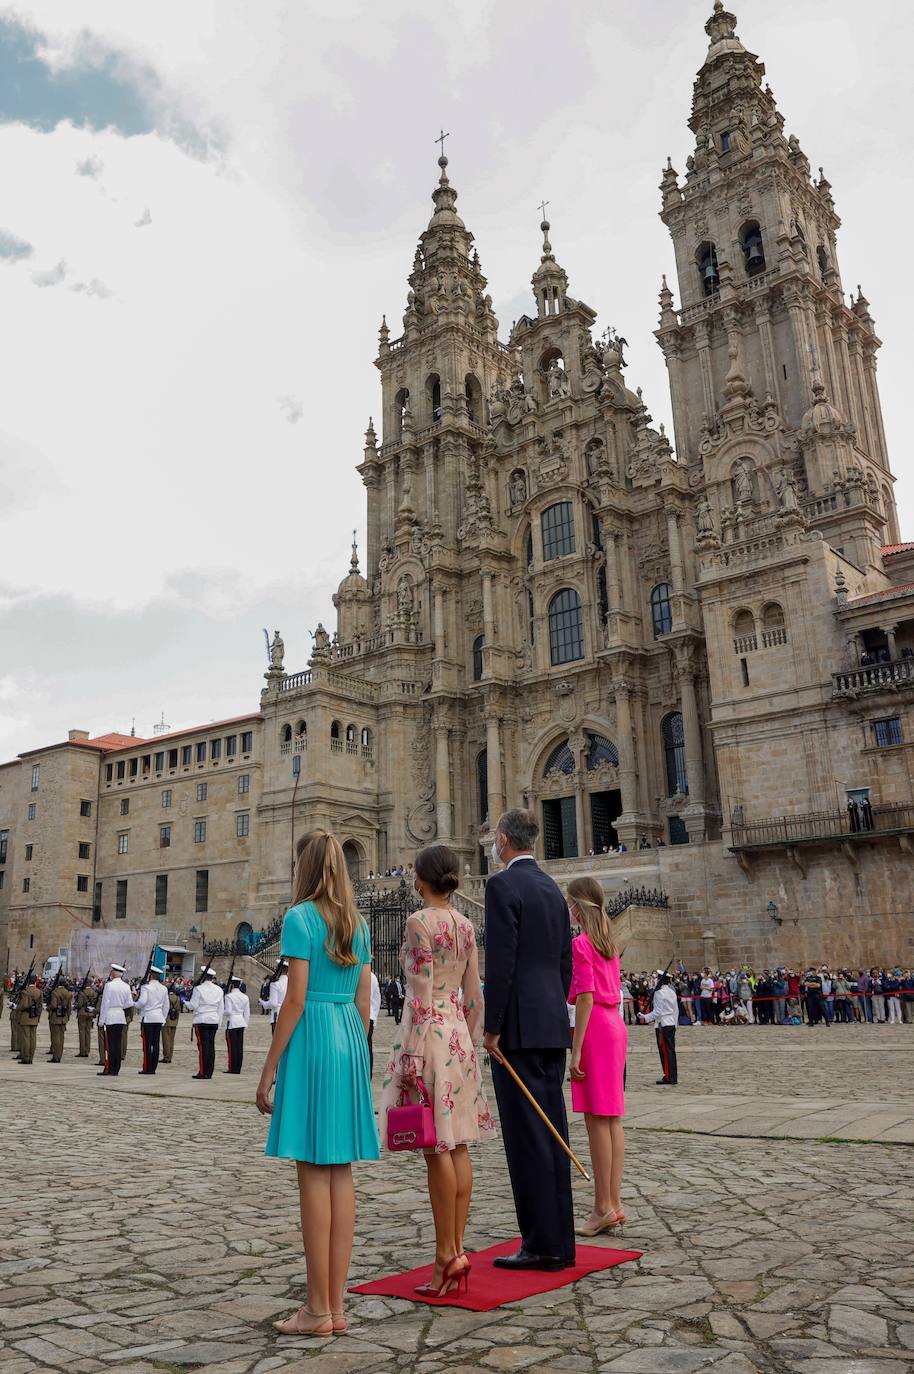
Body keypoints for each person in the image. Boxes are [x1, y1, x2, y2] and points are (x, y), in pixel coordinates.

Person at [258, 830, 378, 1339]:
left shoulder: (300, 917)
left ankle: (315, 1308)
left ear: (304, 866)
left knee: (312, 1169)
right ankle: (336, 1306)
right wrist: (359, 1049)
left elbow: (295, 999)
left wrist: (269, 1067)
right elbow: (365, 997)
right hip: (351, 1035)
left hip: (314, 1038)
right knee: (340, 1171)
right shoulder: (358, 921)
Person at [380, 844, 494, 1297]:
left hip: (427, 1035)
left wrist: (411, 1054)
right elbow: (474, 995)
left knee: (436, 1149)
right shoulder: (466, 925)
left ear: (421, 879)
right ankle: (457, 1248)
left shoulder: (418, 923)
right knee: (458, 1142)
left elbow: (420, 991)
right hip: (458, 1039)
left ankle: (446, 1254)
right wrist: (463, 1037)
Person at [483, 808, 575, 1272]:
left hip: (517, 1027)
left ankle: (540, 1243)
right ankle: (562, 1240)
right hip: (550, 1023)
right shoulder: (552, 888)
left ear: (503, 840)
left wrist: (492, 1027)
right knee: (553, 1130)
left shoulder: (502, 886)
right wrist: (555, 1011)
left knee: (526, 1137)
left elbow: (500, 964)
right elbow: (564, 964)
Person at [567, 877, 628, 1238]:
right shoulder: (609, 943)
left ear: (578, 906)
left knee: (596, 1122)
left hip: (596, 1031)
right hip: (615, 1025)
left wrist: (575, 1051)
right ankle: (614, 1202)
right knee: (612, 1120)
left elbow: (585, 996)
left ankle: (602, 1206)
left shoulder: (581, 944)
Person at [638, 969, 679, 1084]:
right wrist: (675, 1024)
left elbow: (658, 1012)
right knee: (671, 1051)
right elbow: (676, 1010)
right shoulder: (671, 992)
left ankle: (669, 1076)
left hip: (662, 1025)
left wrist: (645, 1017)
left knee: (665, 1052)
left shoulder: (658, 993)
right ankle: (672, 1076)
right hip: (670, 1023)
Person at [98, 964, 134, 1076]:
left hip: (111, 1016)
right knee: (117, 1044)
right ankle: (116, 1068)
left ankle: (110, 1068)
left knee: (110, 1044)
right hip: (120, 1016)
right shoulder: (126, 986)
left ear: (114, 973)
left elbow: (105, 1003)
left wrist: (101, 1019)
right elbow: (129, 1003)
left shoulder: (109, 985)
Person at [189, 968, 224, 1079]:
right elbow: (221, 1008)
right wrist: (219, 1022)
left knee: (203, 1046)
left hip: (201, 1019)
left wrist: (185, 1002)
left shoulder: (198, 989)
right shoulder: (219, 989)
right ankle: (209, 1071)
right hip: (213, 1019)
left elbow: (193, 1006)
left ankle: (203, 1071)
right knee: (211, 1046)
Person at [135, 965, 169, 1075]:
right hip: (158, 1017)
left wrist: (135, 1004)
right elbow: (166, 1006)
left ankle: (147, 1067)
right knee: (156, 1044)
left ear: (150, 975)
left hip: (148, 1017)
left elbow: (142, 1002)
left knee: (147, 1044)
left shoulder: (146, 987)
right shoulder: (164, 988)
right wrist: (163, 1018)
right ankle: (153, 1067)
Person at [223, 974, 250, 1073]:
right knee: (239, 1046)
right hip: (241, 1021)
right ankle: (238, 1067)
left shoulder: (229, 996)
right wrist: (245, 1024)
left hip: (232, 1022)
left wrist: (222, 1011)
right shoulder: (245, 997)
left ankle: (232, 1067)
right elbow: (247, 1013)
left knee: (232, 1046)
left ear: (231, 985)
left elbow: (229, 1011)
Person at [16, 972, 43, 1064]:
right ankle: (31, 1057)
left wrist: (17, 1007)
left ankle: (26, 1057)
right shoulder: (39, 992)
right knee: (33, 1038)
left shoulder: (25, 991)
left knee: (26, 1038)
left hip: (25, 1017)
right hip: (34, 1017)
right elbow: (40, 1007)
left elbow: (24, 1005)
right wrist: (37, 1016)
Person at [47, 976, 72, 1062]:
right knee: (61, 1038)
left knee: (55, 1038)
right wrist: (67, 1017)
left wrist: (48, 1008)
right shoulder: (68, 993)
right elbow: (69, 1008)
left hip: (55, 1017)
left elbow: (54, 1005)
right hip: (64, 1017)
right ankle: (59, 1055)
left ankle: (55, 1056)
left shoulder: (55, 992)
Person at [75, 978, 100, 1058]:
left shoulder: (82, 993)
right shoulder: (93, 992)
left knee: (82, 1032)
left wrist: (75, 1006)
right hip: (90, 1013)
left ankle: (82, 1051)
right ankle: (87, 1049)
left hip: (82, 1013)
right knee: (88, 1032)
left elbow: (79, 1004)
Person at [161, 982, 182, 1063]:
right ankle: (170, 1056)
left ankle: (166, 1056)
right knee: (171, 1040)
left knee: (166, 1039)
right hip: (174, 1019)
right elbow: (178, 1009)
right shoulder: (177, 998)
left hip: (167, 1019)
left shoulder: (166, 997)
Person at [268, 961, 289, 1034]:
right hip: (289, 1013)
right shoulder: (291, 982)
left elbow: (273, 1003)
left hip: (277, 1014)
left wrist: (264, 1003)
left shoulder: (275, 983)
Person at [367, 966, 380, 1076]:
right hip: (370, 1015)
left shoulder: (371, 977)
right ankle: (368, 1073)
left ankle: (367, 1072)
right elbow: (377, 1000)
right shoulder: (373, 977)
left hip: (368, 1015)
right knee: (368, 1045)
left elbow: (376, 999)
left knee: (367, 1045)